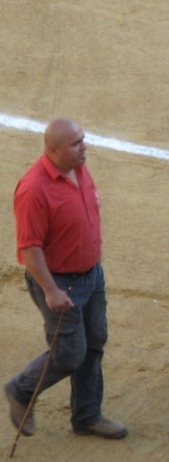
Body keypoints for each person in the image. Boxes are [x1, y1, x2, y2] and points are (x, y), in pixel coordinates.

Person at [4, 118, 128, 440]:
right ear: (52, 149)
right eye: (76, 143)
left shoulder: (79, 168)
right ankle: (21, 389)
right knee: (69, 353)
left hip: (91, 275)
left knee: (94, 343)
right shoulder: (33, 189)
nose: (84, 146)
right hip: (61, 282)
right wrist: (50, 290)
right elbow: (29, 248)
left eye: (83, 139)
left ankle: (87, 415)